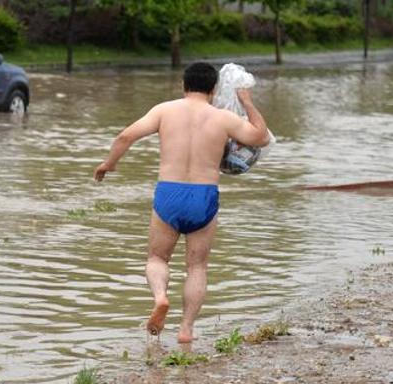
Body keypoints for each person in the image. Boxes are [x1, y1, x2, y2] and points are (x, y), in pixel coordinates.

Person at [93, 62, 269, 343]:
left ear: (183, 85)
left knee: (156, 258)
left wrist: (109, 164)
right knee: (197, 266)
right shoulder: (223, 118)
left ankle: (161, 298)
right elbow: (260, 137)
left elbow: (125, 136)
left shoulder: (164, 110)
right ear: (213, 90)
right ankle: (186, 330)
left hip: (169, 194)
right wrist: (246, 101)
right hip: (204, 195)